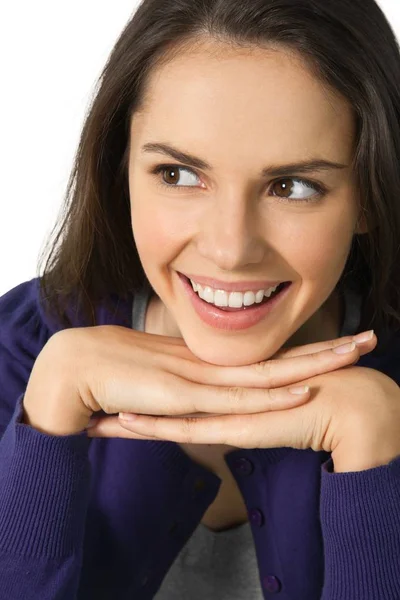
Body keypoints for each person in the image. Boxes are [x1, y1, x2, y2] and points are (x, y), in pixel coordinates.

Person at [1, 0, 400, 598]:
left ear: (369, 193)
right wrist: (48, 421)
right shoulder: (19, 352)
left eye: (292, 186)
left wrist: (374, 460)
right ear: (120, 172)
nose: (230, 249)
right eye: (179, 175)